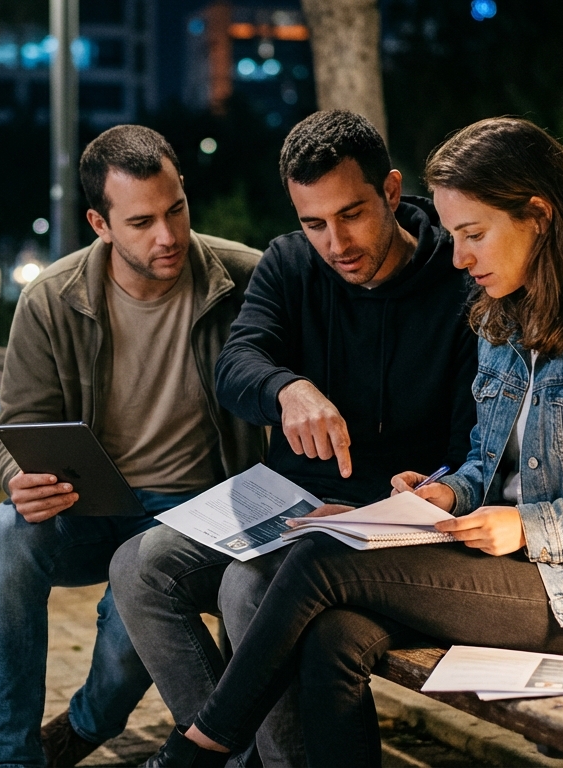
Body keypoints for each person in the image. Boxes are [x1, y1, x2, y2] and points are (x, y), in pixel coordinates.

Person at [140, 117, 563, 768]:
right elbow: (483, 463)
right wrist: (447, 491)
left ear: (540, 215)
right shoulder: (502, 315)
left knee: (321, 557)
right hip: (502, 575)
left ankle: (200, 748)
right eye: (456, 236)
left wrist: (527, 526)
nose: (460, 258)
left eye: (473, 235)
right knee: (332, 635)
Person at [109, 110, 477, 767]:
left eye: (352, 214)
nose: (335, 242)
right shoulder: (289, 263)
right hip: (284, 500)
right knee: (138, 565)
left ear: (391, 192)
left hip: (390, 521)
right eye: (314, 223)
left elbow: (470, 448)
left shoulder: (459, 281)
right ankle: (232, 758)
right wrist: (287, 388)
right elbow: (236, 366)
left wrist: (391, 507)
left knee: (246, 589)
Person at [0, 125, 264, 768]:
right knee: (4, 534)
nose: (167, 236)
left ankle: (85, 725)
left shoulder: (244, 279)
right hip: (91, 501)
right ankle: (7, 759)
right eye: (140, 222)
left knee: (139, 582)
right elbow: (19, 425)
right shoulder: (52, 298)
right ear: (99, 223)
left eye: (176, 210)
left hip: (196, 515)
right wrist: (18, 478)